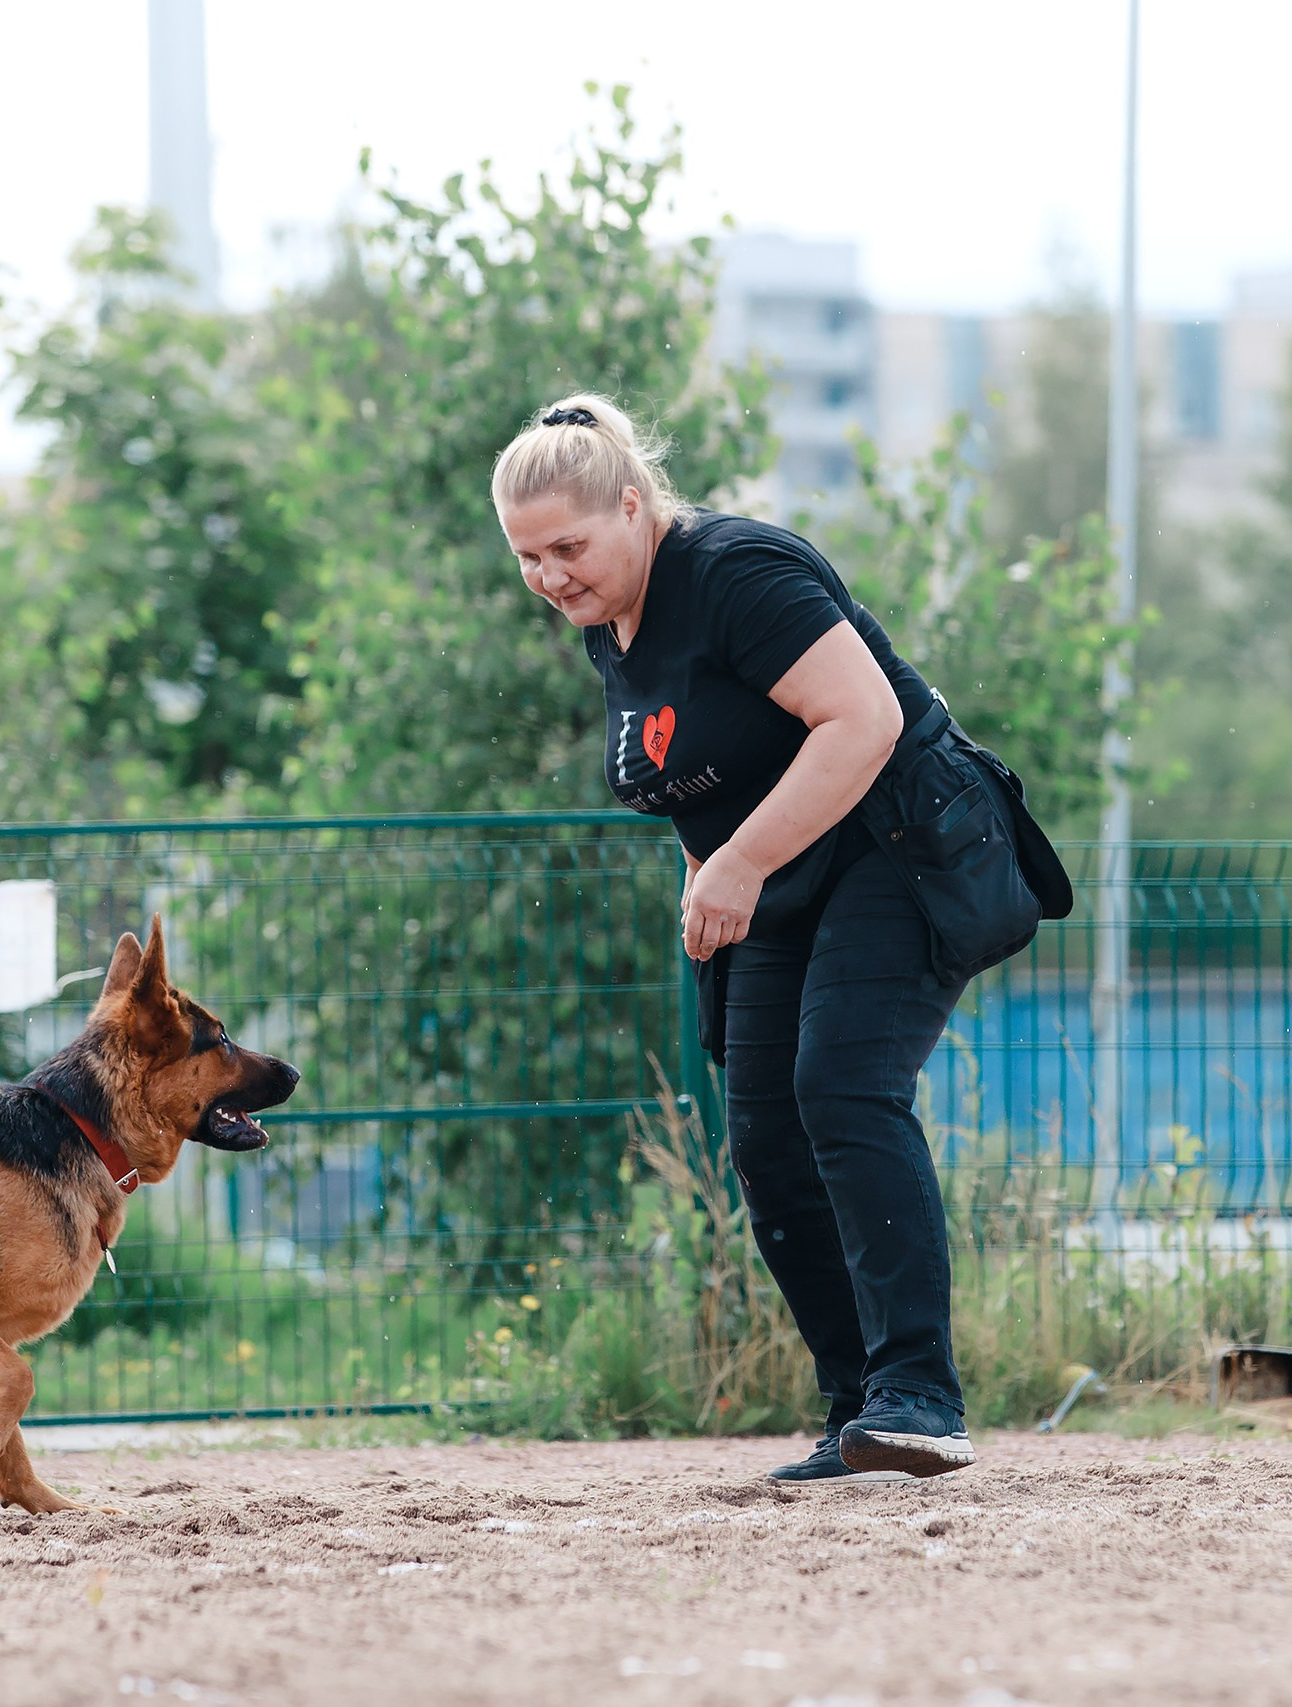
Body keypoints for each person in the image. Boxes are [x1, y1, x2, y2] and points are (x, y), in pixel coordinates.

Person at [494, 395, 979, 1482]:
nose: (550, 576)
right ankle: (861, 1413)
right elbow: (694, 773)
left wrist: (739, 866)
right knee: (764, 1136)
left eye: (568, 546)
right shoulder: (607, 628)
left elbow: (864, 721)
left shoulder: (733, 571)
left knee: (841, 1090)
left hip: (897, 844)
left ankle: (921, 1396)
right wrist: (705, 875)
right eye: (527, 558)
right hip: (775, 880)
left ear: (633, 506)